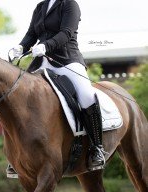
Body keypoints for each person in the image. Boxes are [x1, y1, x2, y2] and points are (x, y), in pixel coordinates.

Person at [8, 0, 106, 176]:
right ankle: (17, 155)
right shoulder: (40, 6)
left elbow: (66, 33)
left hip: (66, 60)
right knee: (18, 95)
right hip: (41, 61)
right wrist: (21, 46)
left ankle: (97, 147)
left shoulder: (69, 4)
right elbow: (31, 33)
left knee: (86, 96)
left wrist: (46, 45)